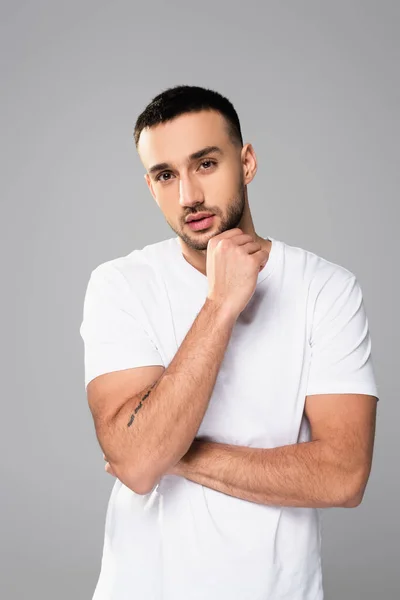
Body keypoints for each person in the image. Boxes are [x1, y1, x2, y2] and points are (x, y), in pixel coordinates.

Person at [79, 85, 379, 600]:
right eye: (165, 175)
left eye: (206, 164)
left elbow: (343, 476)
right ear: (151, 187)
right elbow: (134, 462)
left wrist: (171, 456)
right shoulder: (119, 284)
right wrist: (219, 306)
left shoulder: (327, 289)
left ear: (247, 162)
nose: (188, 195)